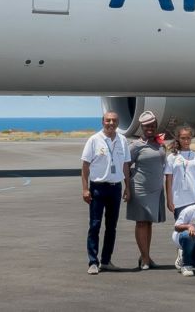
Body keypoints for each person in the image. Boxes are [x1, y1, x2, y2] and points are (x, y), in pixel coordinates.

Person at [80, 111, 127, 275]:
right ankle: (93, 261)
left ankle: (106, 261)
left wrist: (128, 186)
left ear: (117, 123)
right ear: (103, 122)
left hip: (115, 188)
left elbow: (126, 165)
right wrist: (85, 189)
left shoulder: (123, 140)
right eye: (108, 120)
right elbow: (85, 166)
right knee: (94, 225)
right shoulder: (94, 140)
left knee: (111, 227)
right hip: (98, 188)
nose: (111, 123)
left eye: (114, 120)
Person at [123, 110, 169, 271]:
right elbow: (126, 165)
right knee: (141, 222)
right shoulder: (136, 145)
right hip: (140, 188)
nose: (150, 128)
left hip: (156, 189)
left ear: (156, 126)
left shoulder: (158, 143)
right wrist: (127, 187)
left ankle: (146, 256)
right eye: (147, 126)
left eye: (152, 125)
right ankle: (144, 258)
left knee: (149, 223)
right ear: (142, 127)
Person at [166, 125, 195, 218]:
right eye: (183, 138)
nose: (186, 141)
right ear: (178, 138)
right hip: (178, 201)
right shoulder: (172, 157)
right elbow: (168, 181)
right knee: (182, 230)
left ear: (191, 138)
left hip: (194, 199)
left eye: (188, 138)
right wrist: (169, 199)